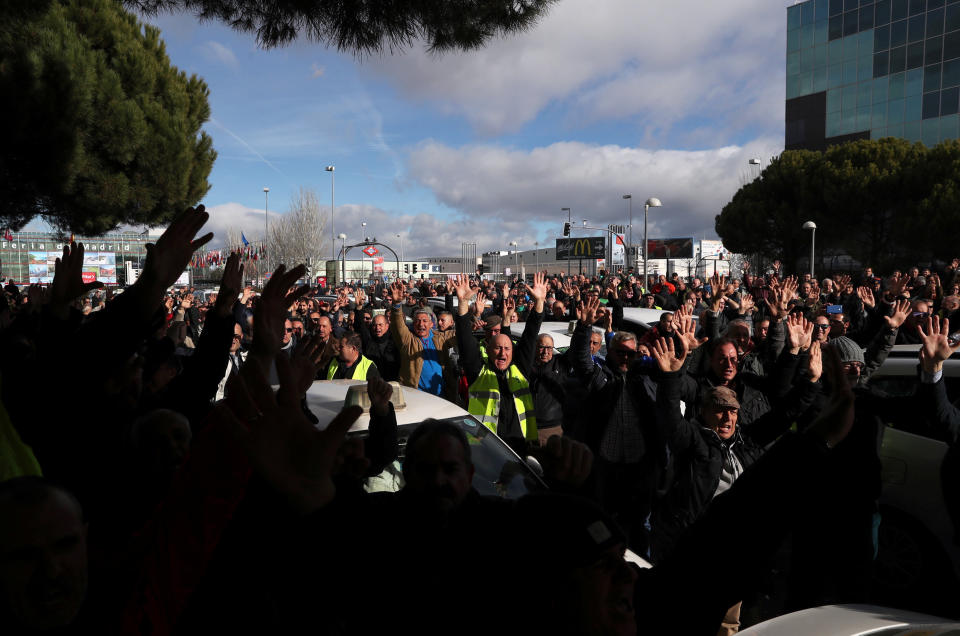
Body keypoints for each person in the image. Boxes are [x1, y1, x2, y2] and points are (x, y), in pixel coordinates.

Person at [452, 273, 545, 455]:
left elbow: (531, 333)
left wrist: (539, 302)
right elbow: (464, 340)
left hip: (521, 447)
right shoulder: (479, 373)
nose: (503, 353)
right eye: (497, 349)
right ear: (487, 350)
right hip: (485, 449)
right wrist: (463, 304)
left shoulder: (520, 370)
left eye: (507, 349)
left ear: (513, 352)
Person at [388, 281, 456, 395]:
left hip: (440, 397)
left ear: (431, 324)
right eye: (418, 321)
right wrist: (396, 305)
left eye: (425, 321)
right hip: (415, 396)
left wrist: (474, 320)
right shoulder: (408, 340)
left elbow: (461, 335)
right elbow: (398, 324)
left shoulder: (440, 338)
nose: (421, 324)